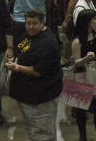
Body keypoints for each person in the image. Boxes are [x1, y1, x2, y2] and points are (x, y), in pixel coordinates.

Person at [6, 10, 63, 141]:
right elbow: (20, 50)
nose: (31, 27)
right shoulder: (29, 35)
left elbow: (38, 71)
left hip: (41, 99)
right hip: (29, 97)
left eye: (34, 24)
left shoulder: (47, 43)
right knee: (35, 132)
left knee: (43, 134)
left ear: (42, 23)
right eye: (28, 23)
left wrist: (17, 67)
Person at [70, 8, 96, 141]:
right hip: (81, 75)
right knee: (81, 111)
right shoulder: (77, 41)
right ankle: (83, 137)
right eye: (94, 19)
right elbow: (76, 62)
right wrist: (85, 58)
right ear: (86, 22)